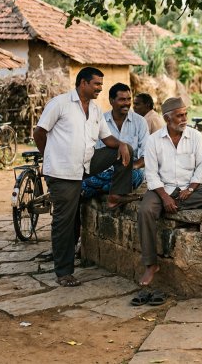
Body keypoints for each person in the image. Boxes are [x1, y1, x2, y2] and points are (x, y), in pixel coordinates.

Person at [32, 67, 133, 287]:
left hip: (86, 166)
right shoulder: (60, 104)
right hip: (62, 172)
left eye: (101, 85)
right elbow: (39, 132)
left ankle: (116, 194)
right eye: (96, 84)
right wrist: (49, 156)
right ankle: (64, 272)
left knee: (125, 150)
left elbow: (107, 140)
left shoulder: (95, 110)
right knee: (64, 222)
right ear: (83, 83)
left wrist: (123, 144)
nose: (100, 88)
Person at [136, 97, 202, 288]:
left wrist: (190, 189)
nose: (184, 119)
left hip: (186, 191)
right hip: (161, 189)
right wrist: (165, 197)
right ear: (167, 119)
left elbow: (201, 167)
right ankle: (151, 265)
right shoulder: (154, 140)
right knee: (145, 211)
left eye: (185, 114)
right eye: (179, 116)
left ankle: (168, 206)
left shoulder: (195, 136)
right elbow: (151, 173)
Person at [81, 83, 148, 198]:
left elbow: (147, 155)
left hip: (130, 172)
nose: (127, 103)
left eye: (128, 99)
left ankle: (92, 189)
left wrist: (130, 168)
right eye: (122, 99)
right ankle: (112, 190)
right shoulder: (100, 121)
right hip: (104, 172)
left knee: (137, 176)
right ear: (111, 101)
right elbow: (93, 152)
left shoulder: (140, 122)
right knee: (86, 176)